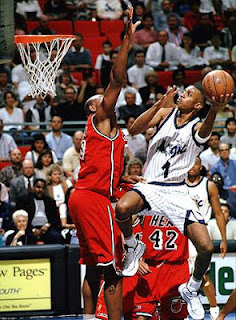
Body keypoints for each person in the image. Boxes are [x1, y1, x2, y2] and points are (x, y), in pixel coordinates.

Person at [115, 84, 230, 319]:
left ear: (198, 105)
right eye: (183, 91)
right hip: (152, 186)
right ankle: (132, 246)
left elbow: (205, 132)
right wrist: (159, 104)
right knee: (122, 208)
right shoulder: (164, 114)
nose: (182, 94)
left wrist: (214, 110)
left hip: (177, 192)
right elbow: (135, 129)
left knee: (206, 247)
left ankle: (192, 288)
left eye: (188, 94)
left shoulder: (197, 126)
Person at [68, 8, 142, 320]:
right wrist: (126, 41)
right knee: (113, 267)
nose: (105, 100)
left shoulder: (110, 133)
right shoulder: (100, 119)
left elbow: (137, 127)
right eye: (101, 100)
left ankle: (87, 318)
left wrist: (162, 107)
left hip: (82, 196)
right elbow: (117, 78)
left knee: (92, 267)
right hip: (94, 197)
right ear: (95, 109)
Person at [186, 156, 227, 320]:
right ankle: (182, 308)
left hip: (201, 233)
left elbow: (218, 213)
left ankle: (214, 308)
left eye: (195, 163)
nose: (192, 167)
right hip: (182, 233)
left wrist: (224, 239)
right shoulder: (178, 184)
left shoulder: (208, 185)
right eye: (189, 163)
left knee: (202, 275)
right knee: (181, 274)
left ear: (201, 166)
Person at [16, 178, 61, 244]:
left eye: (43, 188)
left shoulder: (50, 201)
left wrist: (47, 225)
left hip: (47, 228)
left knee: (55, 235)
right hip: (29, 228)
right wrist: (32, 229)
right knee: (25, 236)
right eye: (38, 187)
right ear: (33, 187)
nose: (40, 190)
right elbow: (19, 217)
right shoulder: (24, 200)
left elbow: (55, 219)